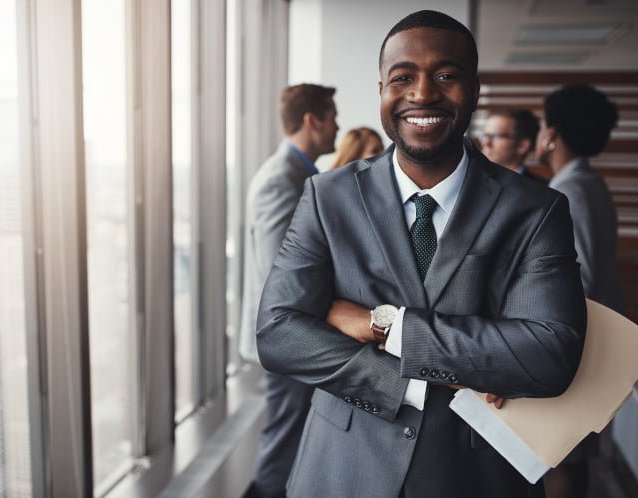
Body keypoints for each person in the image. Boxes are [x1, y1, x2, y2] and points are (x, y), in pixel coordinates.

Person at [256, 10, 585, 498]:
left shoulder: (536, 209)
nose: (423, 92)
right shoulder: (328, 197)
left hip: (476, 476)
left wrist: (385, 325)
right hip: (342, 471)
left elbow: (549, 353)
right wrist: (416, 383)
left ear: (473, 89)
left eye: (445, 75)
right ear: (383, 91)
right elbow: (279, 332)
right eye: (403, 77)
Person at [239, 83, 339, 498]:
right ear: (312, 120)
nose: (338, 126)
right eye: (333, 116)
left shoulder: (304, 174)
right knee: (285, 443)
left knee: (298, 439)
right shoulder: (281, 179)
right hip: (289, 341)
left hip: (303, 338)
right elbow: (280, 278)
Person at [534, 84, 622, 498]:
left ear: (551, 134)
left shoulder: (571, 191)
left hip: (575, 348)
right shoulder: (587, 184)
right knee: (570, 455)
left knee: (559, 459)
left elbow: (578, 280)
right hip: (587, 342)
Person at [480, 109, 547, 183]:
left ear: (522, 146)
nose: (486, 142)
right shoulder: (473, 182)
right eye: (485, 135)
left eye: (496, 136)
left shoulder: (541, 190)